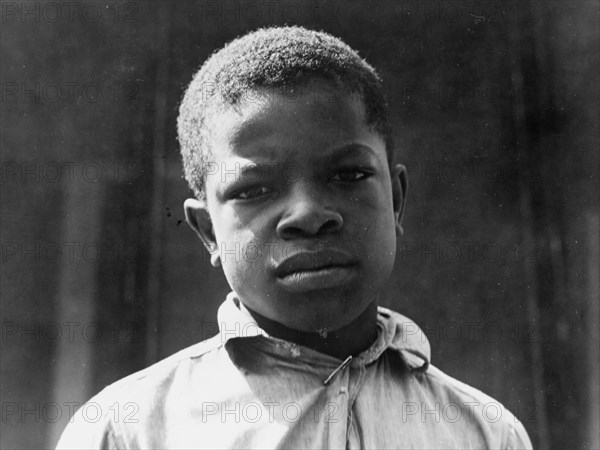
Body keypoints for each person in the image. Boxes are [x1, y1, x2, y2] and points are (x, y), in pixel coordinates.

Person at [57, 26, 533, 449]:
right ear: (207, 232)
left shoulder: (486, 434)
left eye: (347, 175)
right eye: (254, 190)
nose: (308, 215)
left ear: (396, 200)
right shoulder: (125, 431)